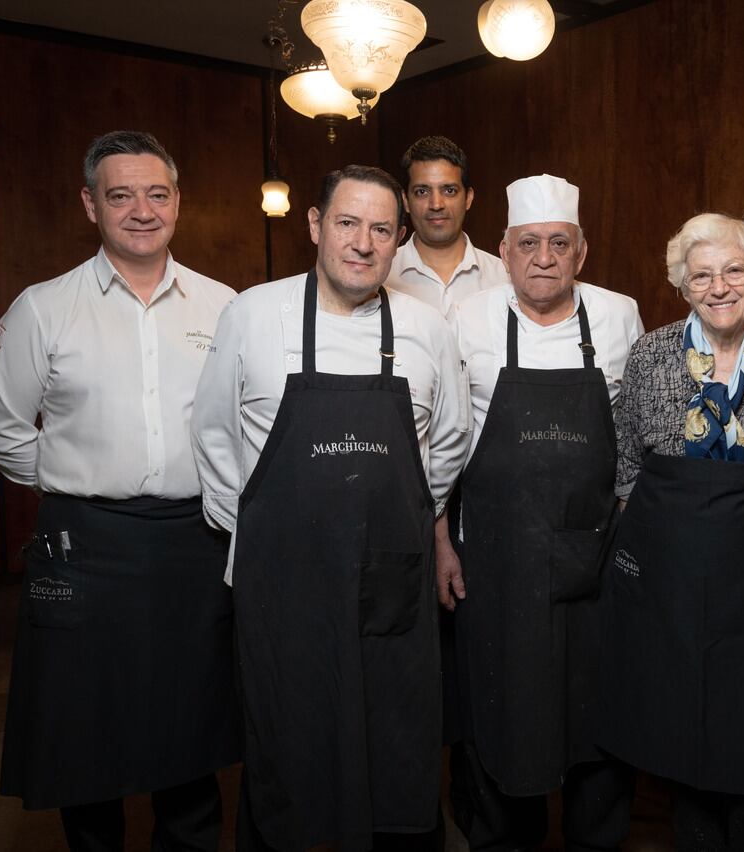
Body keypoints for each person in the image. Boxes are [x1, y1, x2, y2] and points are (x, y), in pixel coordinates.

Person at [191, 164, 468, 852]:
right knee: (288, 747)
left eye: (381, 229)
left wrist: (402, 525)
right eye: (347, 223)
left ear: (399, 239)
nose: (363, 243)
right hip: (283, 586)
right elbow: (215, 438)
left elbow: (452, 439)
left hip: (392, 587)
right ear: (316, 225)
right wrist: (267, 538)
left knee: (395, 749)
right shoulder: (252, 313)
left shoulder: (427, 328)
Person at [0, 130, 240, 851]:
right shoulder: (44, 307)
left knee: (191, 733)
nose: (141, 210)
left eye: (157, 194)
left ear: (178, 203)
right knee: (84, 740)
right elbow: (3, 431)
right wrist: (76, 481)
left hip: (196, 545)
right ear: (89, 205)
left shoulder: (226, 308)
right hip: (84, 548)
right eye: (120, 195)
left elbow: (243, 428)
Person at [596, 213, 744, 851]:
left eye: (734, 270)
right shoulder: (652, 351)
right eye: (701, 275)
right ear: (683, 285)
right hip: (670, 577)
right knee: (685, 746)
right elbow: (625, 460)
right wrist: (635, 560)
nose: (719, 286)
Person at [438, 174, 644, 851]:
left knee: (599, 728)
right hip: (496, 562)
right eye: (530, 244)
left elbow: (635, 440)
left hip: (595, 561)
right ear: (505, 249)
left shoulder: (619, 315)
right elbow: (440, 442)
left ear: (581, 250)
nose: (545, 258)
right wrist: (442, 538)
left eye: (560, 243)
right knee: (502, 722)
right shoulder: (464, 319)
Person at [386, 135, 507, 318]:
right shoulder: (383, 275)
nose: (436, 204)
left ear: (468, 198)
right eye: (422, 192)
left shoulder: (503, 278)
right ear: (406, 201)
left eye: (449, 191)